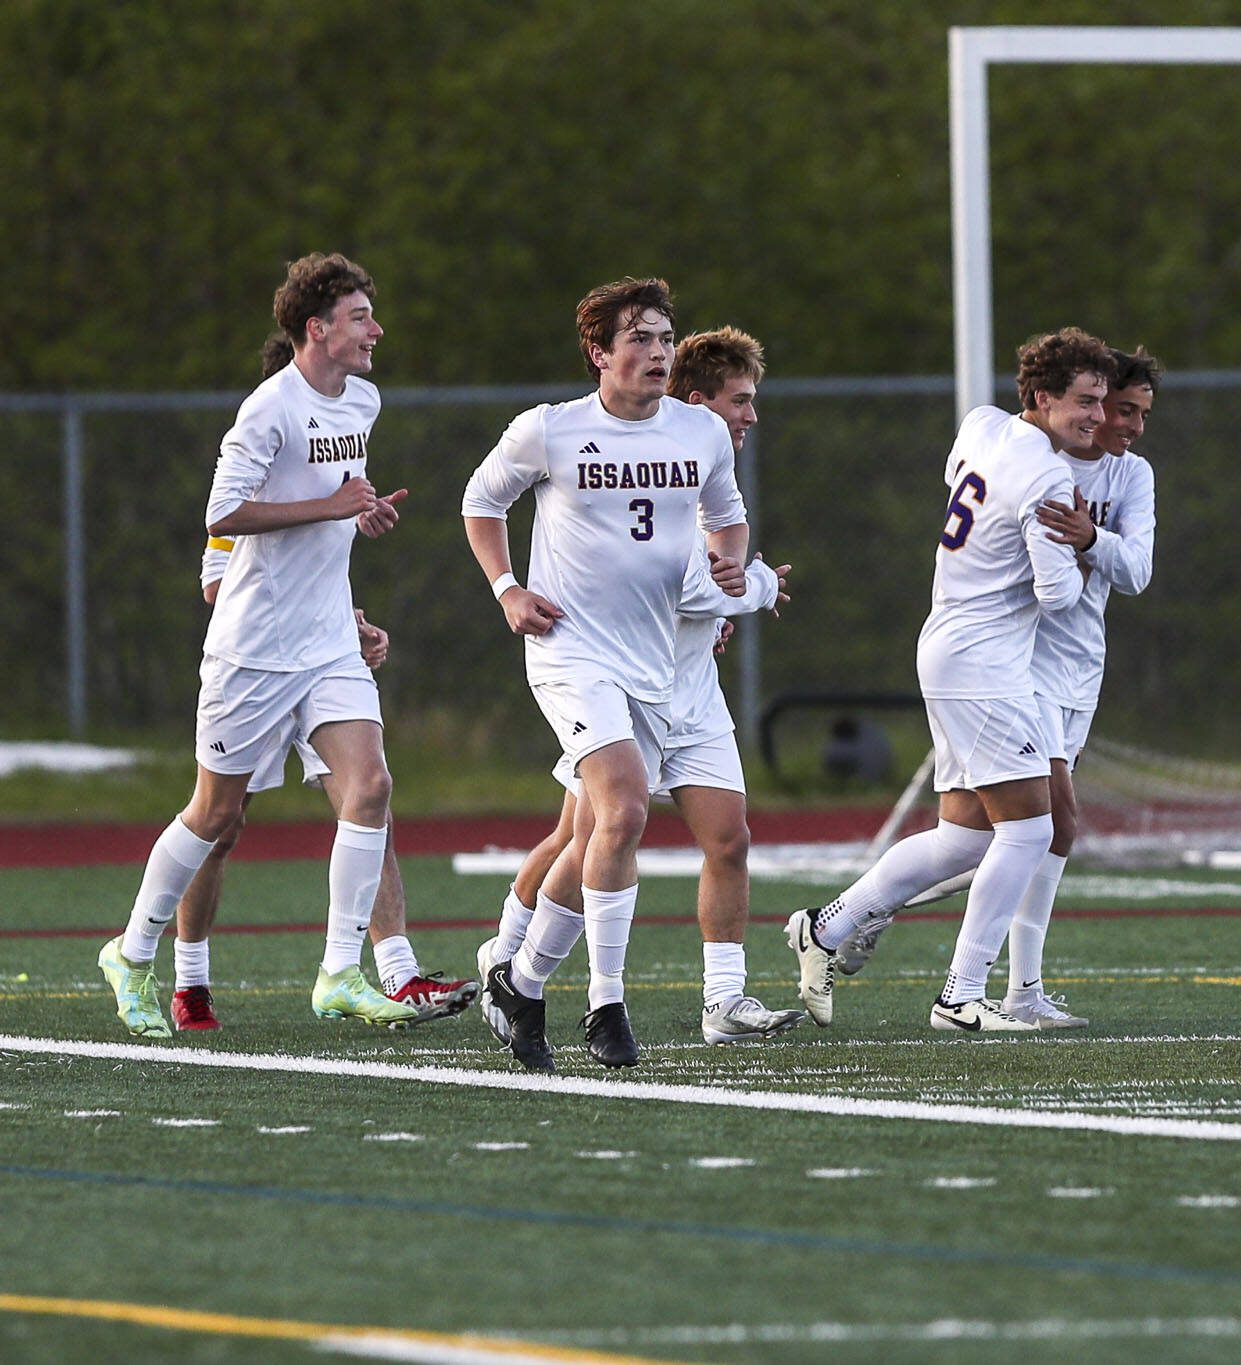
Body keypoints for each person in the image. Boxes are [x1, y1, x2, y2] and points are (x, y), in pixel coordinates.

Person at [98, 252, 420, 1037]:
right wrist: (328, 505)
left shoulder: (363, 400)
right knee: (215, 813)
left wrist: (357, 515)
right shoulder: (267, 409)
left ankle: (341, 970)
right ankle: (132, 951)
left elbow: (329, 508)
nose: (375, 330)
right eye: (358, 318)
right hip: (253, 647)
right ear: (316, 330)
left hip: (327, 645)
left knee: (370, 786)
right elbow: (225, 512)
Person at [461, 279, 764, 1071]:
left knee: (594, 828)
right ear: (600, 352)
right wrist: (508, 590)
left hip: (655, 660)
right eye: (640, 338)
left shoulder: (698, 431)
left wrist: (730, 565)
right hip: (569, 651)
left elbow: (725, 516)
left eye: (666, 338)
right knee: (623, 809)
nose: (658, 352)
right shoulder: (552, 430)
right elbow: (480, 500)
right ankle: (607, 1004)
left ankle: (522, 983)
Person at [786, 328, 1110, 1033]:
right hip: (984, 659)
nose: (1097, 416)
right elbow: (1058, 596)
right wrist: (1083, 542)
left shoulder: (982, 425)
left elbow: (959, 484)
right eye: (1085, 400)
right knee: (1032, 827)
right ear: (1043, 396)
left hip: (949, 644)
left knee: (964, 839)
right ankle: (960, 994)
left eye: (1103, 401)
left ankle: (827, 925)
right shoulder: (1050, 477)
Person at [171, 548, 476, 1030]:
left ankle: (400, 977)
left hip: (323, 669)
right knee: (220, 823)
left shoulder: (333, 474)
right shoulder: (248, 481)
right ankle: (190, 983)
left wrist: (342, 623)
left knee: (371, 800)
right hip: (258, 670)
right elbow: (217, 587)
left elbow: (321, 576)